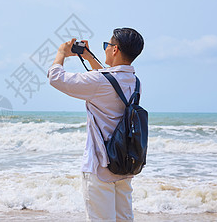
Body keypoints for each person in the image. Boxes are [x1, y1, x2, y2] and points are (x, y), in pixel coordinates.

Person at [47, 28, 144, 222]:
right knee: (124, 219)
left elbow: (55, 77)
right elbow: (108, 78)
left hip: (100, 166)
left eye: (107, 46)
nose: (106, 49)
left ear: (115, 49)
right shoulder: (135, 82)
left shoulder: (99, 82)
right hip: (124, 163)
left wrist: (61, 52)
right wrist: (90, 58)